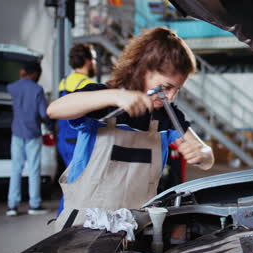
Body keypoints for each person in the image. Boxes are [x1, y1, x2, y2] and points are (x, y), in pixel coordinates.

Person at [47, 27, 214, 230]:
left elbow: (207, 157)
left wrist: (200, 154)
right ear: (142, 70)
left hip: (134, 229)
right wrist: (114, 96)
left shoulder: (167, 116)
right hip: (83, 227)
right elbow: (55, 109)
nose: (170, 97)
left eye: (177, 90)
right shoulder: (102, 100)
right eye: (166, 87)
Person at [7, 62, 53, 216]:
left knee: (15, 169)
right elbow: (44, 114)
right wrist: (51, 125)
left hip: (17, 133)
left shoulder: (12, 87)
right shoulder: (37, 90)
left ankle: (12, 206)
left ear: (23, 72)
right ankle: (34, 204)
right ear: (35, 74)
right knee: (33, 169)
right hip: (33, 133)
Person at [57, 43, 96, 167]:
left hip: (63, 138)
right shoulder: (89, 84)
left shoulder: (63, 82)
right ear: (88, 61)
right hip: (80, 138)